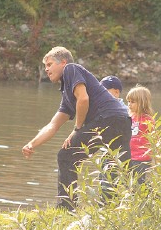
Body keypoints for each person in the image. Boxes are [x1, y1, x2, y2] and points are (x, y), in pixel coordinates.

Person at [22, 46, 132, 211]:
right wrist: (32, 144)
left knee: (66, 156)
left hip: (108, 118)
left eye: (50, 64)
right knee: (113, 164)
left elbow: (83, 99)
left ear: (63, 62)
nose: (46, 69)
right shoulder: (67, 96)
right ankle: (110, 210)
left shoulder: (71, 69)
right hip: (123, 121)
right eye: (45, 66)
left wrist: (77, 128)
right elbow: (53, 125)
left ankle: (66, 208)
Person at [126, 85, 154, 185]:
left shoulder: (147, 120)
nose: (129, 104)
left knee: (139, 182)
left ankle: (148, 197)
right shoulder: (128, 117)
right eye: (128, 101)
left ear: (142, 103)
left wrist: (157, 159)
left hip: (142, 158)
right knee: (129, 182)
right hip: (130, 156)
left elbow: (154, 138)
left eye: (132, 102)